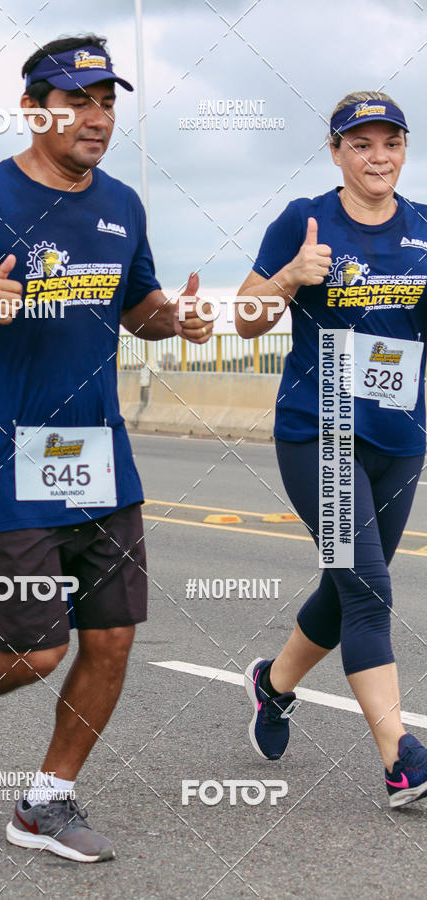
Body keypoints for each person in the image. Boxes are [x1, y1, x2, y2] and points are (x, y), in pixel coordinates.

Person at [0, 34, 211, 862]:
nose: (97, 118)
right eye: (78, 100)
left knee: (112, 639)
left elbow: (137, 306)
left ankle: (44, 802)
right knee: (36, 648)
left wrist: (179, 321)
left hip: (99, 458)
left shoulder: (125, 205)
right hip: (5, 462)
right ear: (34, 109)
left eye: (108, 102)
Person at [235, 91, 427, 808]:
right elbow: (246, 320)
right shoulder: (304, 220)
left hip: (402, 436)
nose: (378, 157)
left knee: (347, 587)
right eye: (361, 143)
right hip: (319, 430)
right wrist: (287, 279)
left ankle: (274, 685)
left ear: (403, 148)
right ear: (337, 151)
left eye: (390, 142)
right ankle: (401, 758)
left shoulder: (424, 229)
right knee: (371, 589)